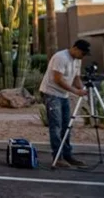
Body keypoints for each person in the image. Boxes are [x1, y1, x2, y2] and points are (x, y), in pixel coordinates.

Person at [38, 39, 91, 167]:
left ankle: (68, 155)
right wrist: (75, 91)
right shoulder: (61, 57)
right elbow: (58, 79)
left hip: (64, 95)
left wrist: (82, 89)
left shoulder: (77, 60)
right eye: (82, 53)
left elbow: (76, 77)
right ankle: (57, 157)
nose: (82, 56)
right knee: (56, 126)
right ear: (75, 48)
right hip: (52, 93)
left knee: (67, 125)